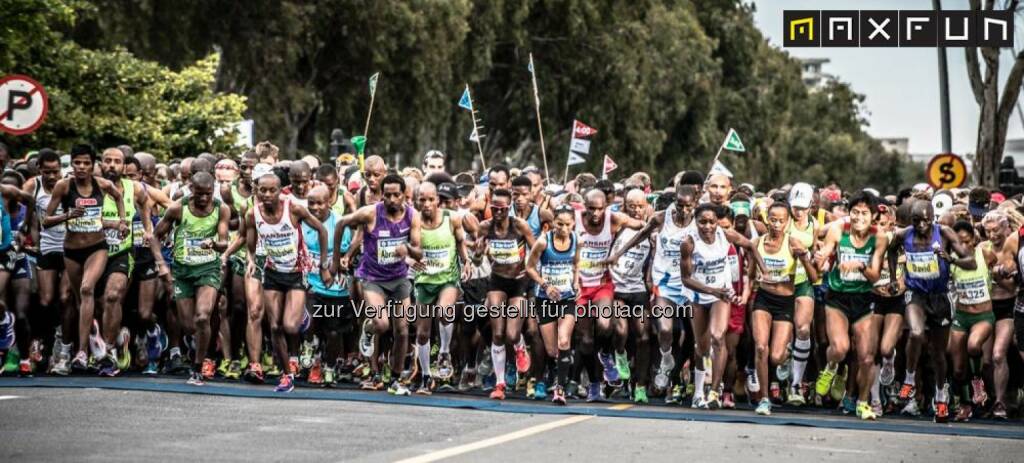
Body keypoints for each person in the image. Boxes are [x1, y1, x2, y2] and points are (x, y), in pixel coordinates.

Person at [43, 144, 128, 375]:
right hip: (71, 250)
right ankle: (89, 347)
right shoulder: (64, 186)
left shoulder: (102, 184)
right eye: (77, 163)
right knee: (80, 301)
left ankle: (81, 351)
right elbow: (46, 220)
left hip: (97, 248)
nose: (81, 167)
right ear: (72, 164)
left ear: (93, 165)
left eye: (86, 163)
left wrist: (122, 222)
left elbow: (119, 196)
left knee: (87, 288)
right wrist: (68, 215)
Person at [334, 173, 422, 395]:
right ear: (382, 195)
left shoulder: (412, 215)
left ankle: (395, 377)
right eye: (388, 195)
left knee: (402, 329)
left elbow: (418, 251)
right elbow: (342, 223)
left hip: (399, 277)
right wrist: (336, 259)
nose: (392, 199)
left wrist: (408, 250)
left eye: (396, 195)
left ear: (404, 195)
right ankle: (372, 359)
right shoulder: (371, 213)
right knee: (381, 324)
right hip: (373, 277)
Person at [246, 168, 332, 393]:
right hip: (272, 273)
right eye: (262, 190)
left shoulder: (293, 209)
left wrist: (323, 266)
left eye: (271, 190)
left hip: (296, 273)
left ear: (280, 191)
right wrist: (252, 259)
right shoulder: (252, 214)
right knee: (274, 327)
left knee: (290, 326)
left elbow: (322, 230)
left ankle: (302, 315)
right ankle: (287, 375)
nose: (266, 195)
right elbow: (250, 239)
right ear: (256, 190)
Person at [888, 200, 974, 422]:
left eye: (927, 220)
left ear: (933, 218)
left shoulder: (944, 233)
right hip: (916, 294)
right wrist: (893, 279)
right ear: (911, 220)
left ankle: (941, 394)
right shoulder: (903, 234)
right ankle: (908, 379)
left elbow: (971, 262)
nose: (922, 225)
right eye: (917, 221)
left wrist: (951, 259)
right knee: (916, 333)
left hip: (940, 297)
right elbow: (890, 252)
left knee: (938, 354)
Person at [149, 172, 230, 385]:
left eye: (208, 194)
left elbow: (224, 242)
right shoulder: (177, 208)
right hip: (182, 271)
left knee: (203, 316)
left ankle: (198, 367)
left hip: (208, 268)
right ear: (191, 190)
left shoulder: (221, 209)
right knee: (189, 326)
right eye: (199, 194)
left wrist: (213, 244)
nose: (204, 199)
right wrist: (161, 265)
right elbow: (155, 237)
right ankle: (200, 340)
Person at [680, 203, 763, 410]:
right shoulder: (689, 243)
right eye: (702, 222)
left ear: (717, 222)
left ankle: (715, 391)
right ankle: (698, 391)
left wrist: (764, 269)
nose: (707, 226)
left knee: (718, 337)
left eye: (711, 222)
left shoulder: (726, 235)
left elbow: (751, 246)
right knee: (702, 346)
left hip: (720, 295)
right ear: (695, 222)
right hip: (698, 295)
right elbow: (686, 279)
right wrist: (711, 290)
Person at [815, 192, 889, 421]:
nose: (858, 217)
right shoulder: (839, 230)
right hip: (837, 297)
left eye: (864, 213)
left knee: (867, 357)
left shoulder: (880, 238)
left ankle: (863, 402)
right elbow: (823, 257)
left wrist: (859, 265)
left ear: (874, 215)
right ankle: (831, 366)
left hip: (863, 298)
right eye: (855, 212)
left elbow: (875, 276)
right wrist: (820, 257)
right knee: (840, 348)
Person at [473, 187, 537, 400]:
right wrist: (478, 253)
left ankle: (519, 346)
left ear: (509, 208)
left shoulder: (520, 226)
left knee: (511, 334)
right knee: (498, 334)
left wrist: (530, 271)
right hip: (497, 281)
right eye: (494, 208)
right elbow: (475, 258)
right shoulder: (485, 227)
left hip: (519, 283)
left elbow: (537, 250)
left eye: (502, 209)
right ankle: (500, 384)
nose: (498, 213)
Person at [410, 181, 470, 394]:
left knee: (444, 312)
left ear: (437, 200)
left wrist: (467, 262)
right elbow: (413, 248)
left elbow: (461, 242)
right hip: (425, 281)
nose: (427, 204)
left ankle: (444, 352)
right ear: (416, 201)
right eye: (422, 200)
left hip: (448, 279)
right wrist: (411, 259)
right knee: (423, 334)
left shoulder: (452, 218)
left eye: (430, 199)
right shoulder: (414, 221)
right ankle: (426, 376)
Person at [525, 205, 580, 405]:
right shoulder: (543, 241)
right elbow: (529, 268)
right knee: (552, 351)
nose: (564, 228)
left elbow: (576, 264)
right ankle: (560, 368)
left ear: (573, 224)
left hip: (567, 297)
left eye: (567, 224)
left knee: (564, 340)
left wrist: (576, 281)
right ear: (553, 223)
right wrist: (545, 286)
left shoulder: (576, 240)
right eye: (559, 224)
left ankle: (560, 389)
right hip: (545, 298)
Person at [301, 184, 353, 387]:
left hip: (334, 285)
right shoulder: (302, 221)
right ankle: (308, 345)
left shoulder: (340, 223)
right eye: (310, 203)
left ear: (329, 202)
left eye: (319, 203)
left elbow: (345, 252)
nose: (314, 207)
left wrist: (336, 266)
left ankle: (329, 367)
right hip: (311, 282)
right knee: (311, 317)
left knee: (333, 332)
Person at [947, 220, 998, 421]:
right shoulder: (951, 260)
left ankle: (978, 380)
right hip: (961, 316)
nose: (964, 247)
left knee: (974, 346)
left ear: (974, 240)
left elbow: (996, 267)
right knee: (958, 369)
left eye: (967, 242)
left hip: (983, 316)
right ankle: (966, 405)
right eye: (959, 243)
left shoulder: (983, 253)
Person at [609, 189, 654, 403]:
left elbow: (654, 257)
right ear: (625, 206)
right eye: (632, 206)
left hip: (637, 289)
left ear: (647, 206)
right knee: (621, 331)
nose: (637, 210)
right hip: (616, 287)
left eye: (640, 206)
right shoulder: (619, 225)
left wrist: (650, 281)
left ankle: (641, 387)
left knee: (644, 336)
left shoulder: (651, 230)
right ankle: (619, 353)